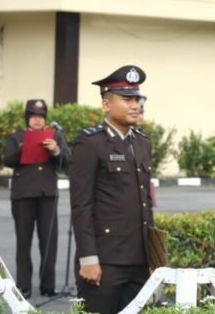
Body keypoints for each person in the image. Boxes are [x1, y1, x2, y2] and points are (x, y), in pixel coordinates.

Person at [69, 65, 153, 314]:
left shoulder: (142, 142)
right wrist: (88, 259)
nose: (135, 105)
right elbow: (81, 205)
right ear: (106, 104)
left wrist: (153, 258)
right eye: (127, 99)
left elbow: (146, 203)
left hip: (139, 261)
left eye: (137, 99)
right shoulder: (90, 143)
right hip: (105, 262)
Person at [3, 99, 69, 299]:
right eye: (33, 116)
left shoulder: (55, 135)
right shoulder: (16, 137)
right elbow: (7, 160)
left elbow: (67, 162)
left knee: (49, 241)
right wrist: (22, 149)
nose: (37, 120)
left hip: (47, 194)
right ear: (27, 118)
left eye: (41, 116)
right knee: (24, 241)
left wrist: (56, 150)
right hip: (23, 194)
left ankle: (48, 286)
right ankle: (24, 285)